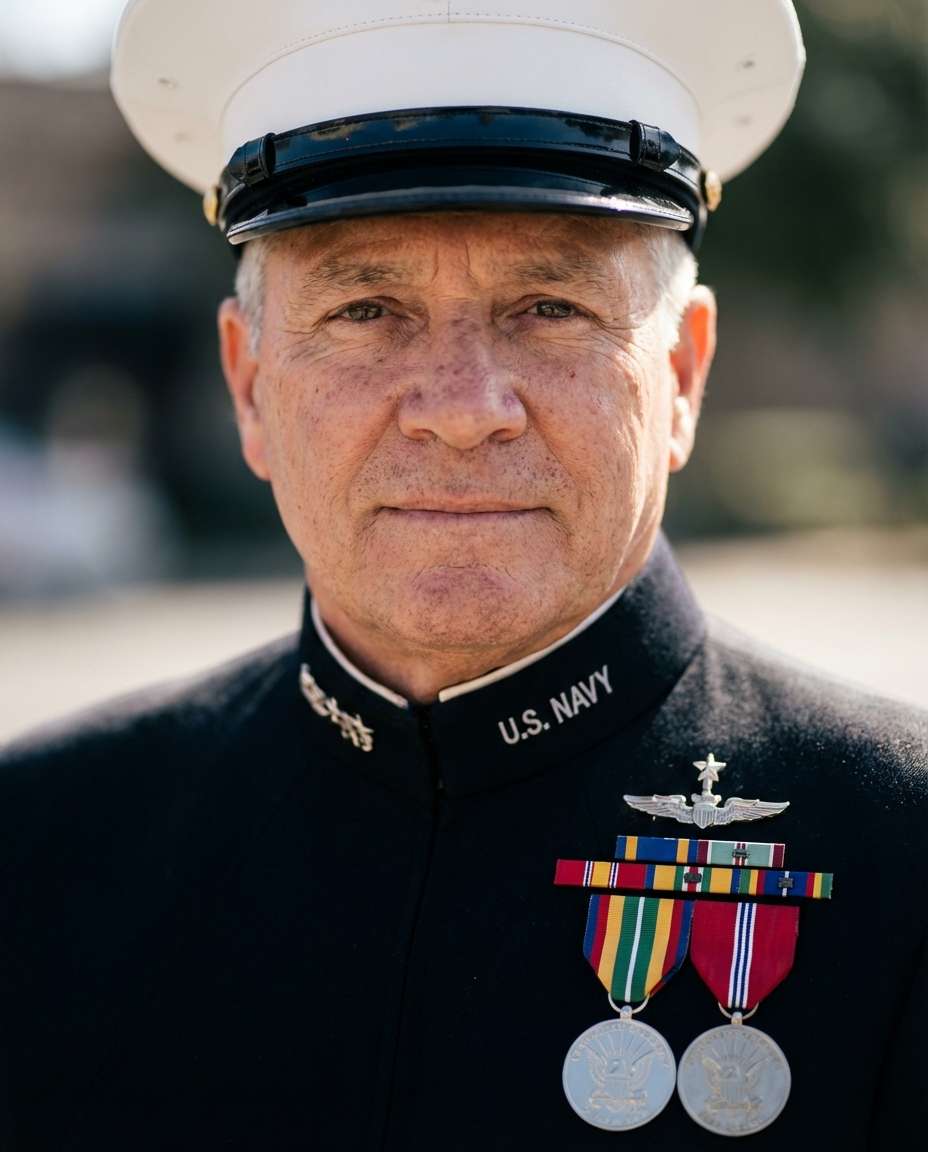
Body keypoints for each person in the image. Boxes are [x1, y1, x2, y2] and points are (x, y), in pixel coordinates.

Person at [0, 1, 925, 1149]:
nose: (460, 410)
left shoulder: (904, 857)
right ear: (249, 388)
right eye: (366, 309)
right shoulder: (36, 849)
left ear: (681, 375)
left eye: (549, 307)